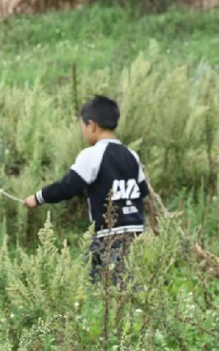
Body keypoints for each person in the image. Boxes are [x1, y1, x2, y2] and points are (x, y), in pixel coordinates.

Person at [23, 95, 148, 283]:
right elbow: (143, 191)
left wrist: (38, 198)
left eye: (82, 127)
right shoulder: (131, 155)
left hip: (108, 235)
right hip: (137, 233)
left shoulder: (92, 155)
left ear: (92, 125)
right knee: (131, 285)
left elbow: (68, 186)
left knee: (101, 287)